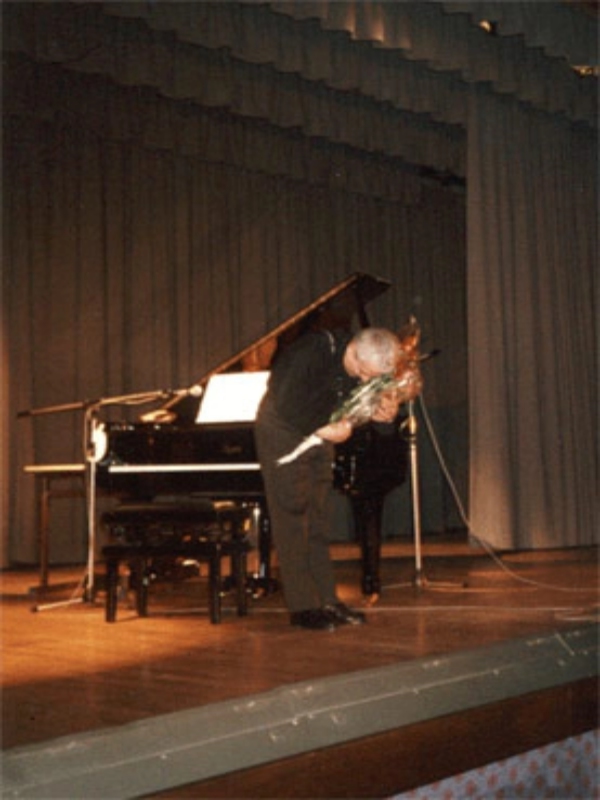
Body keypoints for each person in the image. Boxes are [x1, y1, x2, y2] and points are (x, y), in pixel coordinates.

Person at [254, 326, 401, 631]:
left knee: (318, 519)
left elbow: (359, 410)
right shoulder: (312, 350)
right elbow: (285, 400)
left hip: (320, 432)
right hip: (283, 430)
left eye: (372, 377)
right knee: (293, 517)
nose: (365, 381)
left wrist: (382, 415)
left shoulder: (364, 367)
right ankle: (303, 607)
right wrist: (324, 429)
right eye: (363, 373)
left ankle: (327, 599)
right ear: (353, 351)